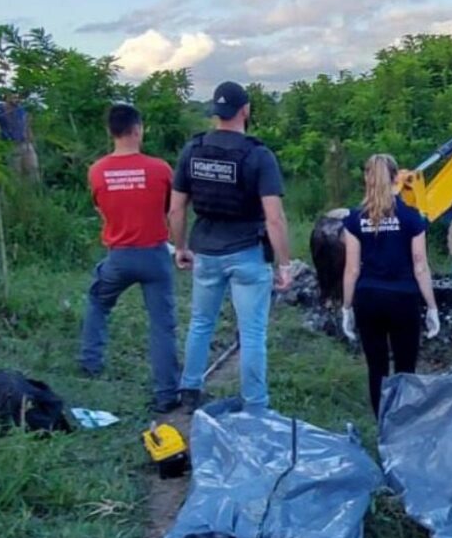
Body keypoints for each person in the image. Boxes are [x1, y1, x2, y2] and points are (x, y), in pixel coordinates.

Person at [168, 81, 292, 412]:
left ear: (215, 112)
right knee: (252, 334)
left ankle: (190, 389)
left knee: (201, 322)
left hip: (205, 251)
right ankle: (256, 405)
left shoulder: (192, 150)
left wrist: (180, 246)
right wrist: (284, 264)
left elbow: (176, 208)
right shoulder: (258, 155)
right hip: (248, 253)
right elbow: (275, 218)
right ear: (245, 110)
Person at [78, 103, 180, 412]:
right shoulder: (160, 169)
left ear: (111, 132)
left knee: (98, 301)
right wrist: (181, 244)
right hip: (155, 256)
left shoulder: (96, 171)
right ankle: (166, 394)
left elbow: (101, 209)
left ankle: (90, 362)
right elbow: (171, 210)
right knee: (163, 325)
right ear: (138, 130)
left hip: (119, 256)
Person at [341, 154, 440, 414]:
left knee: (377, 368)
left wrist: (346, 307)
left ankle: (382, 425)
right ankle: (403, 425)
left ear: (366, 179)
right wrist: (432, 307)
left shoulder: (354, 219)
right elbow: (420, 265)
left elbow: (351, 269)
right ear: (397, 178)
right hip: (403, 299)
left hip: (368, 298)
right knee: (406, 367)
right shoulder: (411, 218)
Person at [0, 93, 39, 180]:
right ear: (7, 97)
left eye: (18, 97)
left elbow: (26, 125)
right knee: (15, 172)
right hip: (11, 144)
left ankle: (34, 191)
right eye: (14, 97)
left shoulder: (21, 109)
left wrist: (31, 139)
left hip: (25, 143)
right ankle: (17, 192)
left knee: (33, 169)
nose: (17, 99)